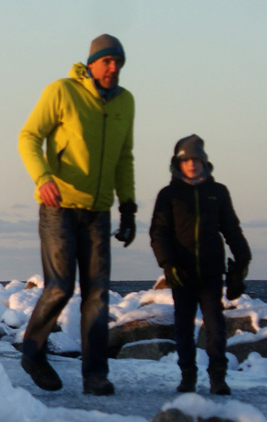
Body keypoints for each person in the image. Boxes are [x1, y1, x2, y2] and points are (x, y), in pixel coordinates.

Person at [15, 34, 137, 395]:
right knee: (60, 287)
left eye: (119, 62)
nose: (114, 68)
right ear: (93, 63)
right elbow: (28, 137)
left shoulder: (125, 102)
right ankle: (33, 352)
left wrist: (127, 207)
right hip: (59, 207)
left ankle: (95, 375)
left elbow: (124, 158)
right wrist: (43, 177)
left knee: (98, 294)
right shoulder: (62, 91)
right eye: (107, 61)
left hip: (98, 211)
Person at [148, 136, 250, 395]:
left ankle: (218, 377)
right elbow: (158, 232)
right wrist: (167, 264)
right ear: (178, 163)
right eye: (186, 160)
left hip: (211, 272)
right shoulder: (168, 195)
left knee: (215, 325)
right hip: (182, 275)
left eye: (196, 159)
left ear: (204, 161)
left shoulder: (218, 192)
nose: (192, 164)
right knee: (183, 327)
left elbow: (231, 229)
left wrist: (242, 260)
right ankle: (188, 377)